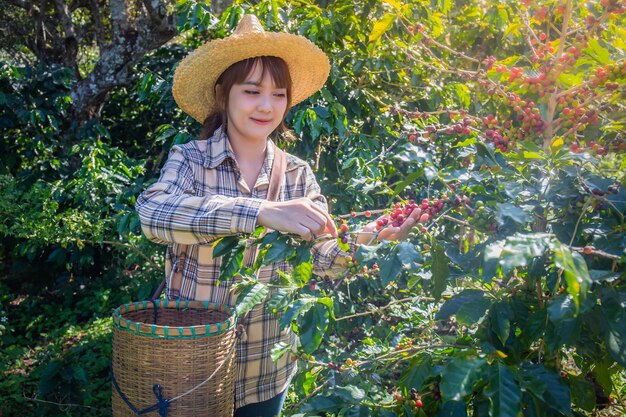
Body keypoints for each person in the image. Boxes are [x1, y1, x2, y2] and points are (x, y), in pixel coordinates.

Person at [136, 14, 424, 417]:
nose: (267, 106)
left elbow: (320, 257)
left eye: (279, 94)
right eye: (252, 91)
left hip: (265, 369)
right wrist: (260, 212)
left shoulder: (297, 174)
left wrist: (362, 245)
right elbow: (153, 215)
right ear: (224, 94)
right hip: (193, 364)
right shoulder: (191, 159)